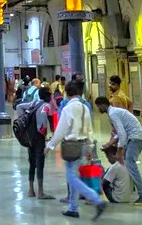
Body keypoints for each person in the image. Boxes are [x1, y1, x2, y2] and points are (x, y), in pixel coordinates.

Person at [46, 79, 109, 220]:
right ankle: (73, 208)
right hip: (84, 145)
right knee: (75, 175)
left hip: (71, 145)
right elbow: (89, 129)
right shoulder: (85, 107)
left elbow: (61, 130)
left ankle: (97, 200)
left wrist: (49, 146)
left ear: (67, 93)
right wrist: (90, 147)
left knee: (71, 176)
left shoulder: (68, 108)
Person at [95, 95, 142, 206]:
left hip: (135, 139)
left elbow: (122, 134)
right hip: (134, 137)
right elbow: (121, 133)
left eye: (98, 107)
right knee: (127, 164)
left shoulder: (113, 114)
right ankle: (132, 190)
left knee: (130, 164)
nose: (98, 109)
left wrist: (119, 151)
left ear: (102, 105)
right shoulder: (114, 112)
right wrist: (109, 144)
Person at [18, 88, 55, 200]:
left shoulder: (33, 103)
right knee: (40, 162)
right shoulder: (46, 105)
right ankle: (40, 192)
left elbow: (19, 107)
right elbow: (44, 118)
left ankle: (31, 190)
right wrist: (43, 131)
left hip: (30, 137)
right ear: (48, 96)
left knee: (32, 162)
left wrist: (23, 119)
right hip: (39, 137)